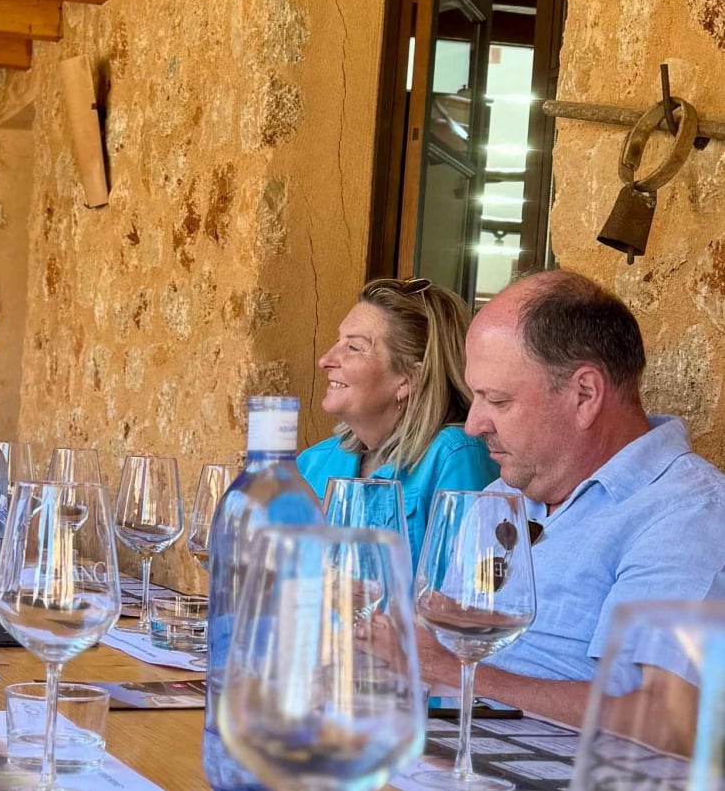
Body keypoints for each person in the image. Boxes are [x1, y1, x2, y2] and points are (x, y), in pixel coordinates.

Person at [421, 269, 725, 732]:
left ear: (584, 394)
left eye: (497, 401)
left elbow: (668, 720)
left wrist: (460, 675)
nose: (474, 424)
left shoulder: (685, 513)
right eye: (475, 398)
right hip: (442, 756)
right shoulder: (502, 495)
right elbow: (441, 641)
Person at [298, 277, 498, 565]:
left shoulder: (455, 456)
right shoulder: (314, 461)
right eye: (337, 341)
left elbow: (462, 600)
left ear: (408, 379)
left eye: (353, 348)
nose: (326, 360)